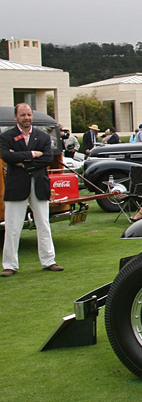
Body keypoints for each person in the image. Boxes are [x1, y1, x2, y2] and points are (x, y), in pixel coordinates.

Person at [1, 103, 63, 276]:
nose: (26, 118)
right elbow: (7, 156)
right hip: (16, 186)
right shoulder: (7, 136)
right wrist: (32, 155)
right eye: (22, 115)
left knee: (43, 224)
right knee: (13, 227)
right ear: (16, 117)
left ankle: (49, 260)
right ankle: (9, 265)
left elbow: (48, 159)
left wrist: (22, 162)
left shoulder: (42, 136)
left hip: (39, 185)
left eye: (29, 114)